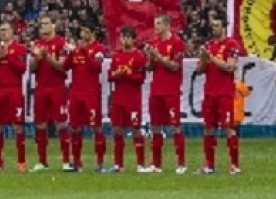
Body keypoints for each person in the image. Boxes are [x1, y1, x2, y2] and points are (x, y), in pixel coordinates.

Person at [196, 16, 242, 175]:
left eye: (217, 25)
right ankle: (209, 165)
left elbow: (230, 67)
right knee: (208, 128)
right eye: (212, 25)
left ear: (224, 27)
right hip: (209, 93)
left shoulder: (232, 45)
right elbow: (200, 70)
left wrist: (212, 58)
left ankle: (235, 165)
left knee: (229, 128)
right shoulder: (208, 45)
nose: (213, 28)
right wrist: (203, 59)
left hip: (224, 93)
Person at [144, 13, 187, 173]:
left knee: (175, 126)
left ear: (168, 25)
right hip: (156, 90)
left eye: (159, 24)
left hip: (171, 90)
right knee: (155, 127)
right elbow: (149, 68)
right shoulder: (154, 43)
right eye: (155, 24)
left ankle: (181, 163)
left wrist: (158, 57)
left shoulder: (177, 43)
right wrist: (149, 58)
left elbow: (175, 66)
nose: (156, 27)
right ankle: (156, 164)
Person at [0, 21, 28, 172]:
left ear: (12, 32)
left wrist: (8, 56)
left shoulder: (20, 48)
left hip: (13, 90)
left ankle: (21, 161)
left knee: (17, 125)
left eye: (6, 30)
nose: (3, 33)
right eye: (1, 30)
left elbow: (22, 69)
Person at [29, 12, 70, 172]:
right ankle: (42, 161)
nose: (43, 27)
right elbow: (31, 68)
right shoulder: (37, 44)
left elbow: (62, 67)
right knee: (40, 124)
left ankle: (66, 161)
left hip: (57, 87)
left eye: (46, 23)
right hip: (41, 87)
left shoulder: (61, 44)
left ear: (53, 25)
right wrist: (36, 58)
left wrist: (47, 57)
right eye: (41, 24)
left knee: (61, 123)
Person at [62, 25, 106, 172]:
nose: (83, 34)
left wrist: (84, 51)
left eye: (86, 31)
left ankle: (99, 162)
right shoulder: (76, 49)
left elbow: (96, 67)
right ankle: (76, 161)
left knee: (96, 127)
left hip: (91, 93)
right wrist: (70, 53)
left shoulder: (99, 48)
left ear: (93, 33)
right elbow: (65, 67)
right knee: (75, 127)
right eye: (82, 31)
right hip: (75, 93)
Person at [107, 26, 148, 173]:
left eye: (128, 37)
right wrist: (116, 74)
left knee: (136, 131)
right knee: (117, 131)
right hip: (118, 100)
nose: (125, 40)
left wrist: (126, 74)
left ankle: (140, 164)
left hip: (132, 100)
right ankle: (118, 164)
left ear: (133, 39)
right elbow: (109, 76)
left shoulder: (139, 56)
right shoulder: (116, 56)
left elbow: (141, 78)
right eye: (123, 37)